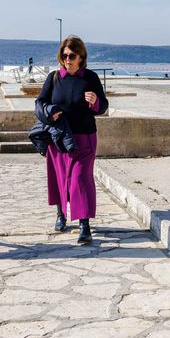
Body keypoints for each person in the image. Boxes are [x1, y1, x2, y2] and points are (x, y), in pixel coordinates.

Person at [36, 35, 108, 244]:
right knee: (59, 178)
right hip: (58, 138)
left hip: (84, 137)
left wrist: (95, 102)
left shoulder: (91, 78)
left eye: (71, 55)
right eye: (64, 55)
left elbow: (103, 106)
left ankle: (84, 225)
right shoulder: (54, 78)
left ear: (81, 57)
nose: (67, 59)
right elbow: (40, 102)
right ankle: (61, 215)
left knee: (79, 179)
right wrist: (49, 111)